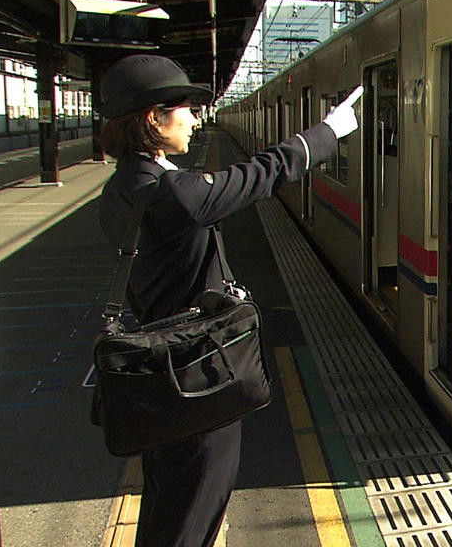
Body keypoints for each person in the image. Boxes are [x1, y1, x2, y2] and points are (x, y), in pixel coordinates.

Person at [96, 54, 362, 547]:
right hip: (195, 373)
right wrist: (327, 132)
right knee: (195, 504)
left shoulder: (120, 188)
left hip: (160, 365)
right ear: (154, 119)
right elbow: (260, 175)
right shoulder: (173, 192)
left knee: (169, 497)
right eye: (187, 109)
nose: (197, 119)